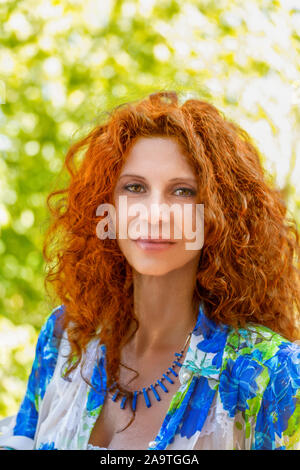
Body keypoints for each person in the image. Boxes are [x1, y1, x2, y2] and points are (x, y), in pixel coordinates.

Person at [0, 90, 300, 450]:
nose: (154, 213)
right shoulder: (66, 337)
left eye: (183, 192)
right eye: (135, 187)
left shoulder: (270, 374)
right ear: (107, 204)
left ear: (219, 215)